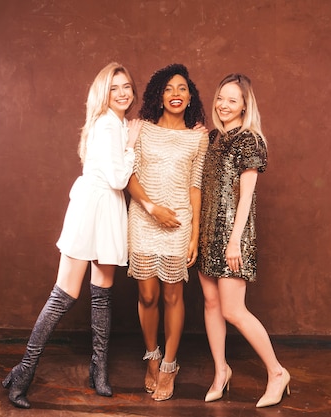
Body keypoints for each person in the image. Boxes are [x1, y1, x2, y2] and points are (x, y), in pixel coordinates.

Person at [2, 62, 143, 409]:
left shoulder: (118, 123)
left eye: (127, 86)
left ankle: (99, 369)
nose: (123, 93)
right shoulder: (110, 127)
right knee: (64, 295)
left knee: (102, 295)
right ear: (103, 92)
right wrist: (132, 144)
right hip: (92, 207)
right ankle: (25, 371)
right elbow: (117, 179)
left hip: (107, 209)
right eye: (115, 88)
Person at [197, 73, 290, 407]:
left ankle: (278, 372)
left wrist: (234, 240)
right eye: (220, 97)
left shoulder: (249, 140)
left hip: (233, 236)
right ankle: (221, 370)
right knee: (211, 304)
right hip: (208, 232)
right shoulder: (212, 138)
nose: (223, 105)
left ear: (245, 105)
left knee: (234, 310)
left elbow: (246, 197)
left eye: (232, 100)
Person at [126, 63, 208, 401]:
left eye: (182, 89)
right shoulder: (140, 130)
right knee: (147, 295)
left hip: (179, 224)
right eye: (169, 89)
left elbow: (196, 185)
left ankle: (170, 365)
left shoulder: (198, 136)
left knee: (174, 295)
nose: (176, 94)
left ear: (190, 97)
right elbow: (128, 176)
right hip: (145, 220)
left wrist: (194, 235)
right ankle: (153, 357)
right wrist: (152, 208)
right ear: (159, 96)